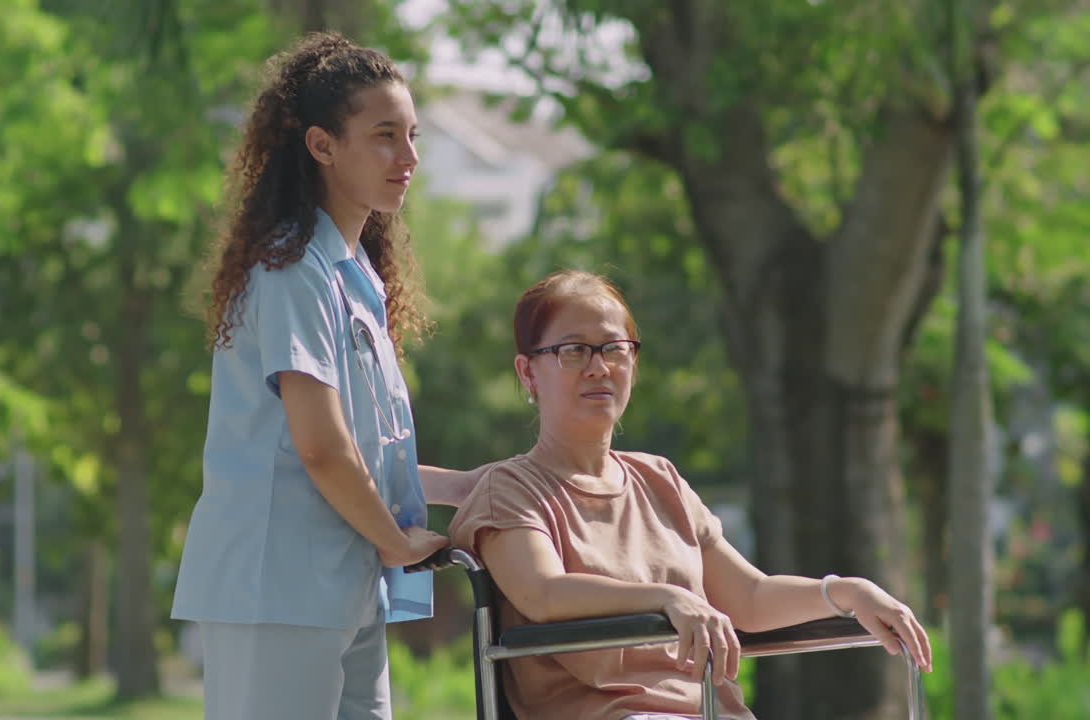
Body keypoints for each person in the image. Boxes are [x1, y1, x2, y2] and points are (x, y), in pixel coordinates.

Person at [448, 270, 933, 720]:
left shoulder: (661, 480)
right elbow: (545, 593)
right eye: (573, 351)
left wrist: (846, 592)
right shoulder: (510, 492)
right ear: (528, 373)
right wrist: (669, 599)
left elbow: (750, 597)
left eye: (614, 349)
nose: (599, 367)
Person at [171, 33, 476, 720]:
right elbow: (321, 448)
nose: (410, 157)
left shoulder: (355, 275)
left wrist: (464, 487)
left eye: (413, 135)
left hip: (347, 584)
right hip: (274, 587)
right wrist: (399, 543)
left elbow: (364, 452)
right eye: (385, 136)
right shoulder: (290, 271)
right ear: (321, 145)